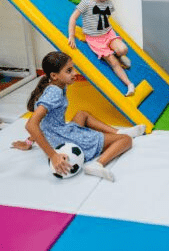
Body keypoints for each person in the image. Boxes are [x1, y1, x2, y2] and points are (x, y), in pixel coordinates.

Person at [12, 51, 146, 182]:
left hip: (57, 131)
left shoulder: (56, 85)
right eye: (69, 71)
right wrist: (53, 155)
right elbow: (31, 124)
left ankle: (119, 131)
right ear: (54, 75)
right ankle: (98, 164)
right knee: (126, 140)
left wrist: (29, 142)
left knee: (82, 114)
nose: (74, 73)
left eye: (73, 69)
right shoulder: (54, 92)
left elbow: (44, 122)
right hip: (61, 138)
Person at [68, 0, 135, 97]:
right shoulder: (86, 2)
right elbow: (73, 18)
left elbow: (106, 18)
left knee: (123, 49)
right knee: (112, 62)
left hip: (108, 34)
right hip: (95, 39)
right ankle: (129, 84)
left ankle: (120, 56)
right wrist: (71, 35)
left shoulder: (108, 3)